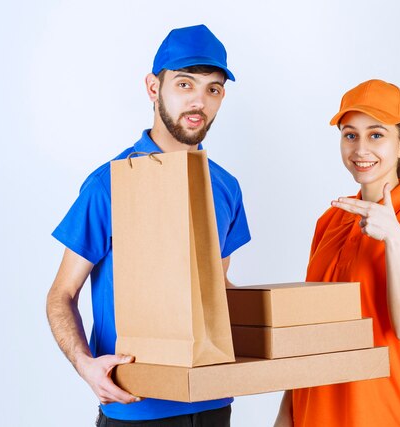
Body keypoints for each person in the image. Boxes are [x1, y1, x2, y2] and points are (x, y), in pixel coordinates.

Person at [46, 25, 250, 427]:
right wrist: (85, 366)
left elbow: (217, 289)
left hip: (213, 402)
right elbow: (61, 294)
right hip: (136, 405)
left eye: (213, 89)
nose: (199, 101)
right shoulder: (109, 184)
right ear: (153, 88)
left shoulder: (225, 186)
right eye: (185, 84)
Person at [274, 79, 400, 427]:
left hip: (378, 414)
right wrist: (285, 415)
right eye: (350, 135)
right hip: (311, 414)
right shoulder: (330, 220)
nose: (361, 148)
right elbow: (308, 331)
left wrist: (394, 238)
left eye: (376, 135)